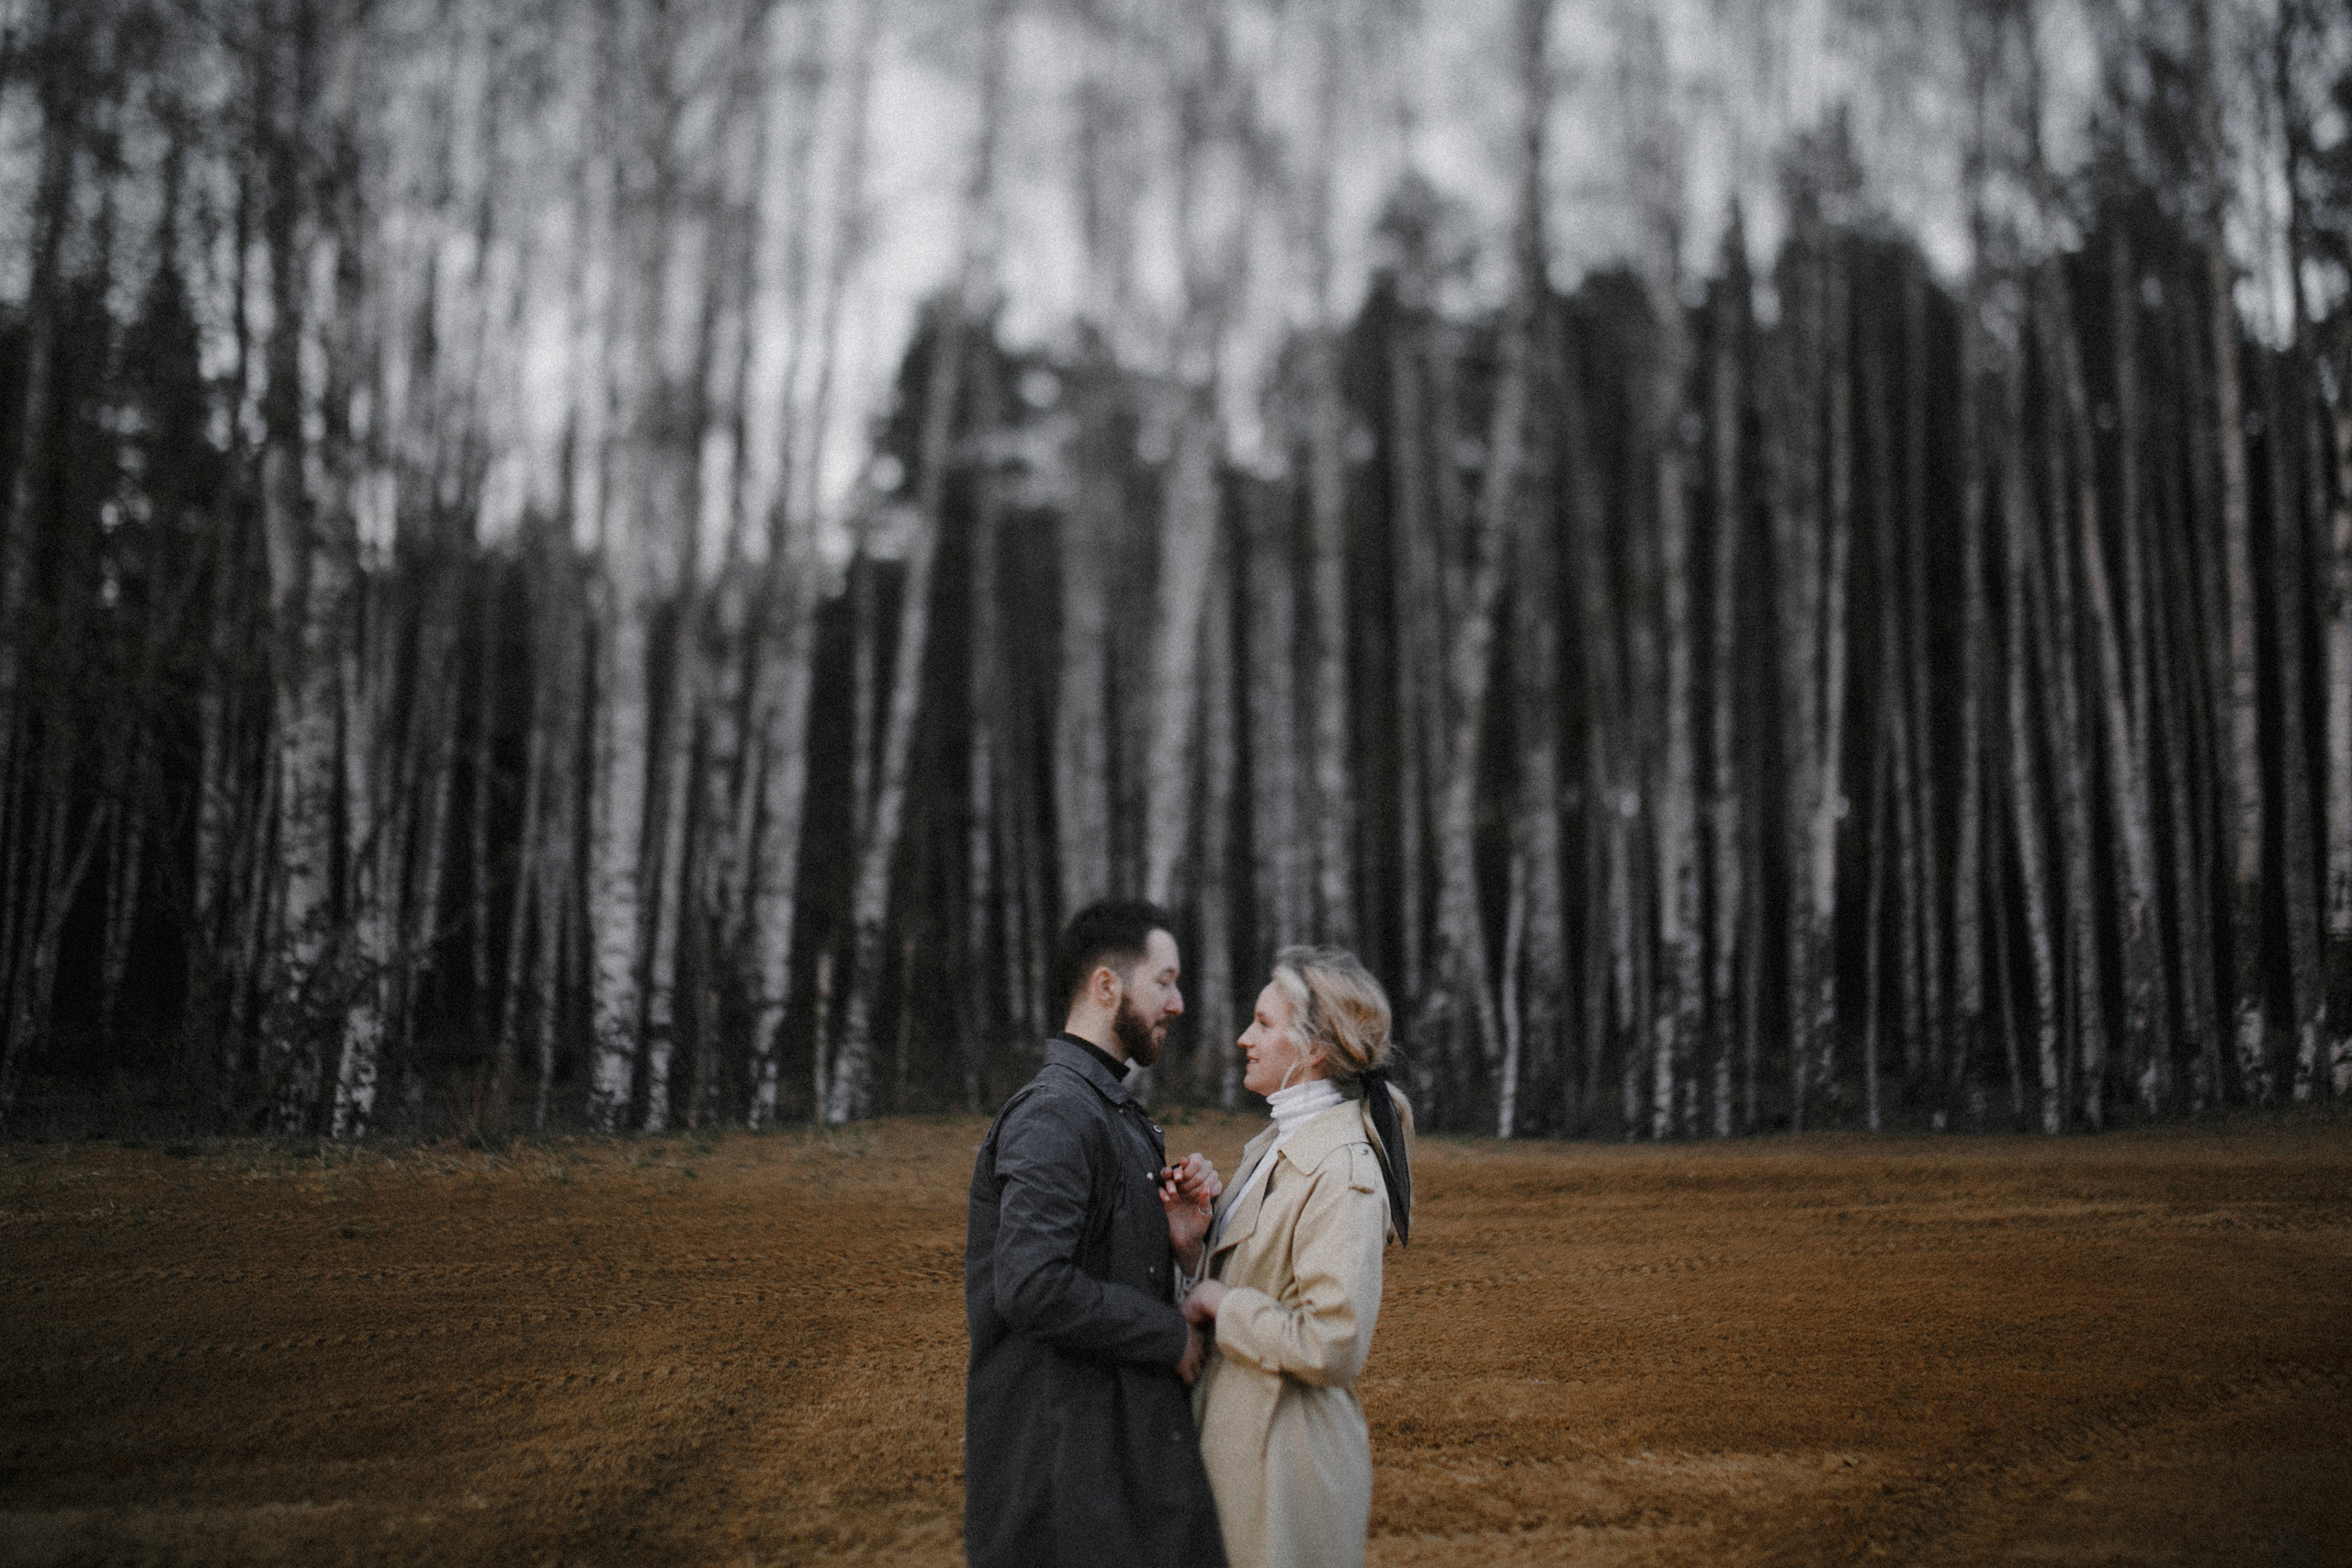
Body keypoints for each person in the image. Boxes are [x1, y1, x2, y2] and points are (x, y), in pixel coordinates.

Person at [964, 899, 1230, 1568]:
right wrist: (1167, 1332)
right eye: (1164, 980)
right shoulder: (1057, 1113)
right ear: (1106, 986)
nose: (1178, 1002)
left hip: (1111, 1474)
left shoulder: (1113, 1113)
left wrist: (1183, 1245)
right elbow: (1030, 1284)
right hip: (1062, 1491)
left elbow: (1101, 1272)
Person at [1182, 946, 1414, 1568]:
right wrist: (1192, 1240)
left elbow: (1333, 1341)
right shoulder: (1275, 1144)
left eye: (1262, 1022)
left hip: (1287, 1464)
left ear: (1314, 1048)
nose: (1242, 1038)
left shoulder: (1342, 1168)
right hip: (1241, 1445)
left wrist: (1219, 1300)